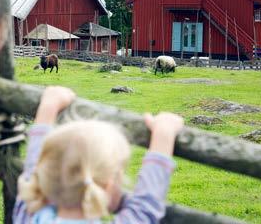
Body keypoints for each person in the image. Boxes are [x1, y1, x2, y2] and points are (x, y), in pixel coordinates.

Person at [13, 86, 184, 223]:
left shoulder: (28, 213)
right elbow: (145, 207)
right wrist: (164, 133)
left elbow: (34, 167)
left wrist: (48, 107)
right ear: (109, 185)